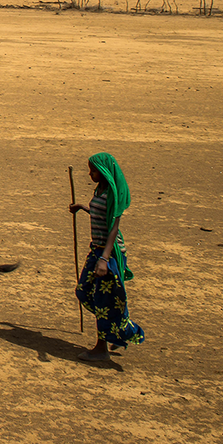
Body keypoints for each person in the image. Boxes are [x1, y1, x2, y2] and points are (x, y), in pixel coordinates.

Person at [69, 152, 145, 362]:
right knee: (84, 292)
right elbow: (100, 214)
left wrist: (104, 259)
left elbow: (113, 227)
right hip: (97, 249)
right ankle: (116, 330)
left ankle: (105, 345)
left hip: (108, 253)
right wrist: (83, 208)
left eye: (93, 171)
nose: (90, 174)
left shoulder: (113, 193)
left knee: (103, 301)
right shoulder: (100, 189)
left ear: (103, 172)